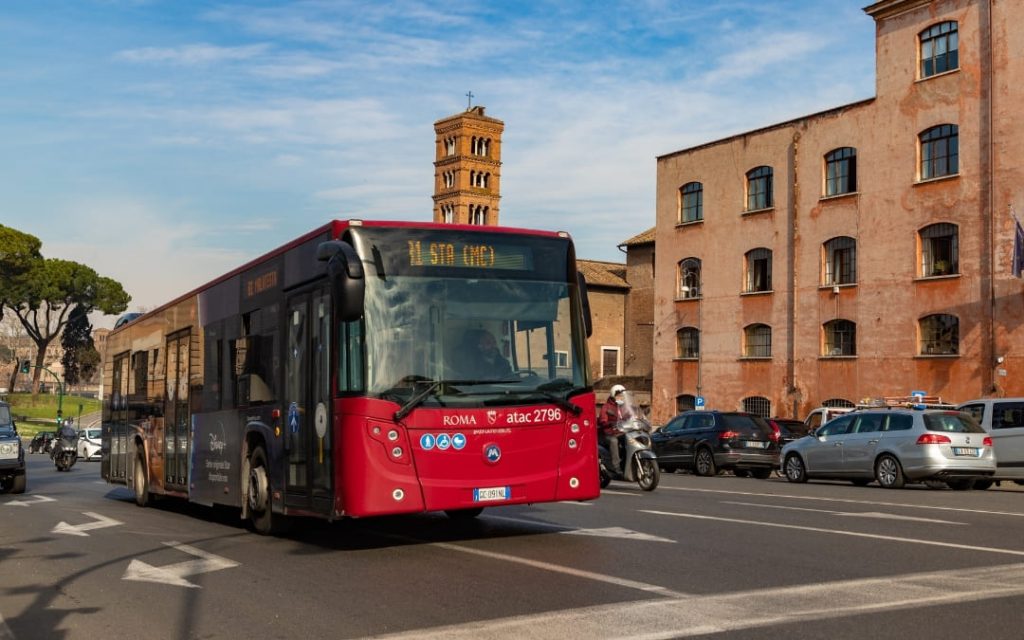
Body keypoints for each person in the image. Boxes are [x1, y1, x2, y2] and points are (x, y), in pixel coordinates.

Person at [598, 384, 628, 472]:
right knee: (613, 441)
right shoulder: (606, 407)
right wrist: (609, 423)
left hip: (620, 432)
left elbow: (630, 415)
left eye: (622, 396)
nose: (621, 397)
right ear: (613, 395)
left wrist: (639, 416)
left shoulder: (623, 407)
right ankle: (616, 466)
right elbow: (602, 420)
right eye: (618, 395)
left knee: (630, 438)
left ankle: (628, 461)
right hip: (608, 433)